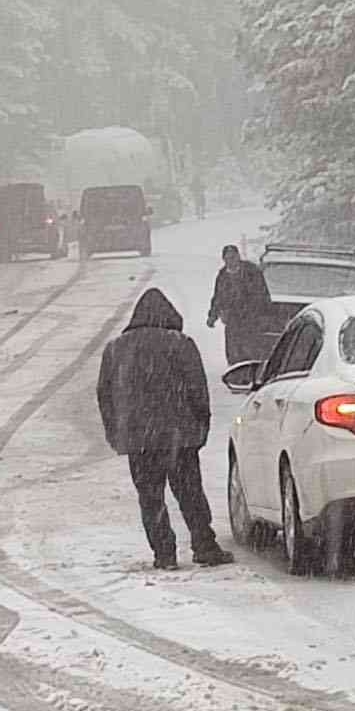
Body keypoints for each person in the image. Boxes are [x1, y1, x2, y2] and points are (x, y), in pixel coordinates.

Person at [96, 288, 234, 571]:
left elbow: (105, 395)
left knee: (151, 498)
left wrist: (115, 432)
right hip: (179, 437)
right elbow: (197, 389)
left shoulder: (115, 349)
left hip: (139, 440)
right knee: (190, 494)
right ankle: (204, 545)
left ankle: (164, 553)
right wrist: (201, 425)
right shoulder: (180, 344)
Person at [206, 244, 273, 364]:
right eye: (227, 258)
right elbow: (218, 297)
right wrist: (212, 316)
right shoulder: (222, 276)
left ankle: (250, 373)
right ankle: (234, 371)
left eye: (233, 257)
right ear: (224, 259)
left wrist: (264, 315)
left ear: (238, 257)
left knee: (251, 349)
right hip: (232, 320)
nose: (230, 261)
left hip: (251, 318)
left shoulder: (252, 272)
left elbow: (262, 294)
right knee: (233, 350)